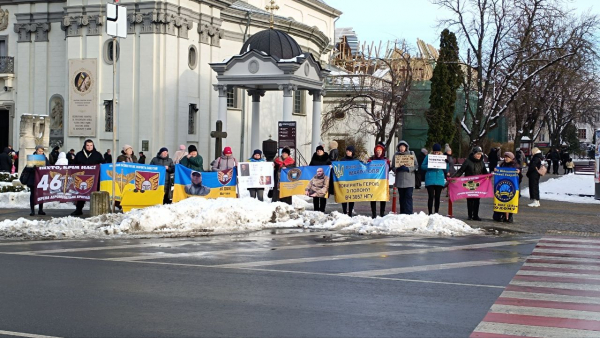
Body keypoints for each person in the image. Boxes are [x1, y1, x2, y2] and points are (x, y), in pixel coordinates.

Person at [453, 146, 488, 221]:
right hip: (469, 183)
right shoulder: (468, 161)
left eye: (480, 154)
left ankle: (475, 215)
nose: (479, 155)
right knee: (470, 199)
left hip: (478, 184)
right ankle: (470, 215)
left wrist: (488, 176)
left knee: (477, 200)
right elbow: (461, 171)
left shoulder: (481, 162)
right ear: (474, 154)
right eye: (477, 154)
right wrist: (454, 178)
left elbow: (485, 172)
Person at [72, 139, 104, 216]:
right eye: (88, 145)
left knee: (96, 193)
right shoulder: (79, 154)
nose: (89, 147)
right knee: (81, 193)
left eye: (91, 145)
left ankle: (97, 209)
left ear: (93, 146)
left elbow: (103, 164)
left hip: (95, 178)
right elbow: (74, 165)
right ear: (85, 146)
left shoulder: (98, 154)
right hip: (82, 178)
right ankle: (79, 209)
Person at [493, 152, 522, 223]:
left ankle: (509, 216)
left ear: (511, 158)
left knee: (510, 202)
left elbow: (519, 179)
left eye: (507, 157)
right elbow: (498, 176)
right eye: (505, 157)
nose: (506, 158)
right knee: (502, 201)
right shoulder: (502, 165)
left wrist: (519, 173)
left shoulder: (516, 166)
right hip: (502, 187)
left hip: (513, 188)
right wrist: (496, 171)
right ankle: (502, 215)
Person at [391, 141, 418, 215]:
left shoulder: (411, 154)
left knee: (408, 196)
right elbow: (392, 166)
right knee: (402, 197)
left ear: (406, 147)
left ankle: (409, 213)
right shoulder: (396, 155)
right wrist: (397, 169)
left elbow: (416, 165)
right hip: (400, 180)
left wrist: (408, 169)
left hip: (409, 180)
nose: (402, 148)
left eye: (403, 146)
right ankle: (402, 213)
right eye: (400, 147)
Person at [421, 143, 448, 215]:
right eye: (435, 152)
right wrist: (430, 166)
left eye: (438, 152)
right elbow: (422, 166)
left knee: (437, 197)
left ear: (440, 151)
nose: (436, 153)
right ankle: (430, 212)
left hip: (439, 179)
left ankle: (436, 212)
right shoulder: (428, 157)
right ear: (432, 151)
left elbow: (446, 169)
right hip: (430, 179)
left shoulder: (443, 157)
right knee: (430, 196)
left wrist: (446, 163)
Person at [23, 146, 50, 216]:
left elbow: (48, 167)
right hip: (33, 179)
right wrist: (33, 168)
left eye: (42, 151)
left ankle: (40, 209)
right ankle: (32, 210)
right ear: (36, 151)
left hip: (41, 179)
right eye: (39, 151)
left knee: (41, 194)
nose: (41, 152)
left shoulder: (44, 158)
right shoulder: (32, 158)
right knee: (33, 195)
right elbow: (27, 169)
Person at [368, 143, 389, 218]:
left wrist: (388, 164)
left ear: (382, 151)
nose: (378, 152)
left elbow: (388, 169)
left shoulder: (385, 160)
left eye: (380, 150)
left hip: (382, 182)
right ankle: (374, 214)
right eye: (377, 150)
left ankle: (382, 213)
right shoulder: (372, 159)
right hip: (373, 181)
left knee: (382, 197)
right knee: (373, 197)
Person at [309, 145, 331, 212]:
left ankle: (322, 210)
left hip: (324, 180)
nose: (319, 152)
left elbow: (330, 165)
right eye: (318, 151)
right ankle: (316, 210)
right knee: (315, 196)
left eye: (320, 150)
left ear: (323, 151)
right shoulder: (314, 158)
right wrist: (305, 167)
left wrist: (330, 166)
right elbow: (310, 167)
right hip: (315, 180)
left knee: (322, 195)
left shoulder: (327, 158)